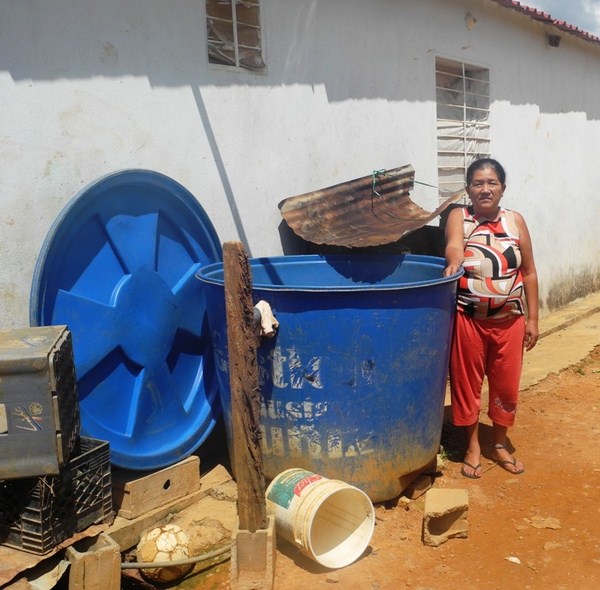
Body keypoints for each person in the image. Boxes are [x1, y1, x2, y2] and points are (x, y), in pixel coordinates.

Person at [443, 158, 539, 478]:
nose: (485, 189)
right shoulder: (460, 216)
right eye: (478, 183)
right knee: (466, 385)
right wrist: (453, 264)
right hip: (468, 320)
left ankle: (498, 443)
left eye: (492, 183)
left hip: (510, 321)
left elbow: (529, 272)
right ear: (468, 189)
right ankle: (472, 446)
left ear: (502, 188)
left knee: (506, 386)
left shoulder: (516, 221)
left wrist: (534, 320)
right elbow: (455, 246)